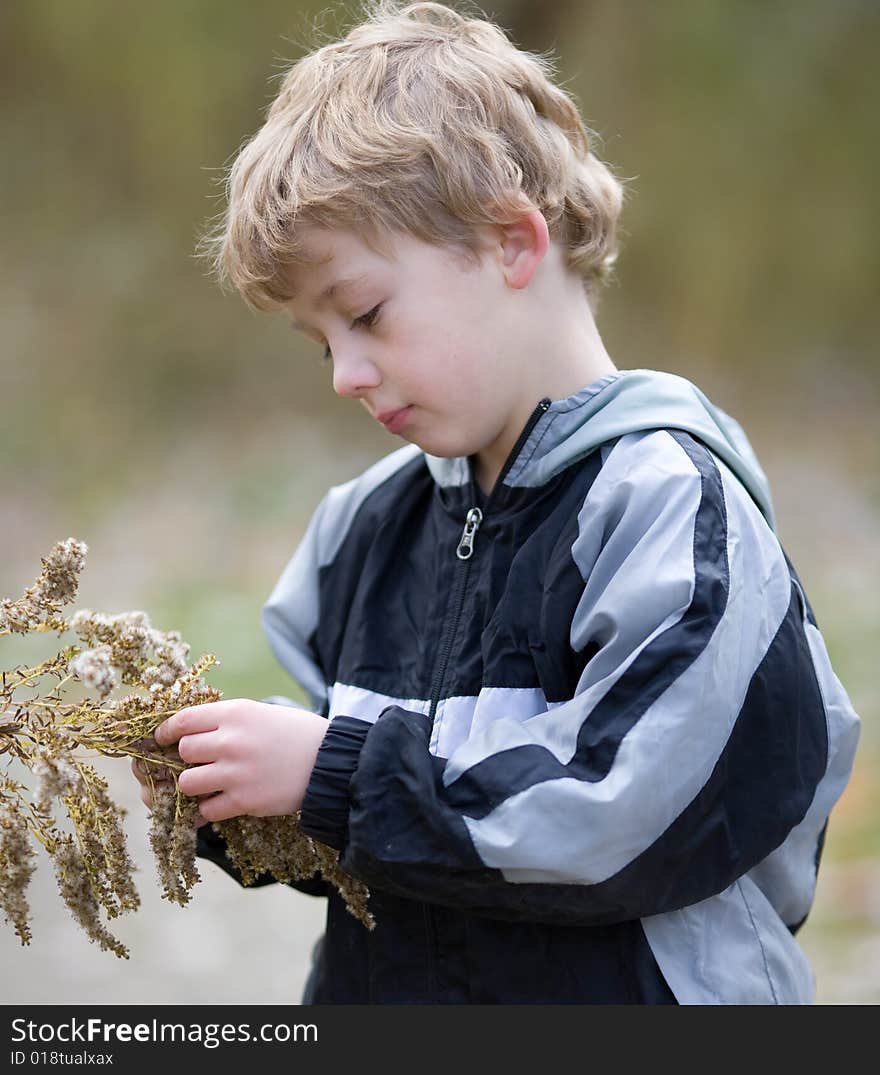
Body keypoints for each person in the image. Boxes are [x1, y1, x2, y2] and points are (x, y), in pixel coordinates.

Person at [132, 0, 860, 1004]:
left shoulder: (667, 508)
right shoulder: (363, 533)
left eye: (366, 314)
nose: (344, 373)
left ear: (512, 242)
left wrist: (334, 771)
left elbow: (624, 813)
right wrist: (245, 806)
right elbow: (384, 842)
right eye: (319, 342)